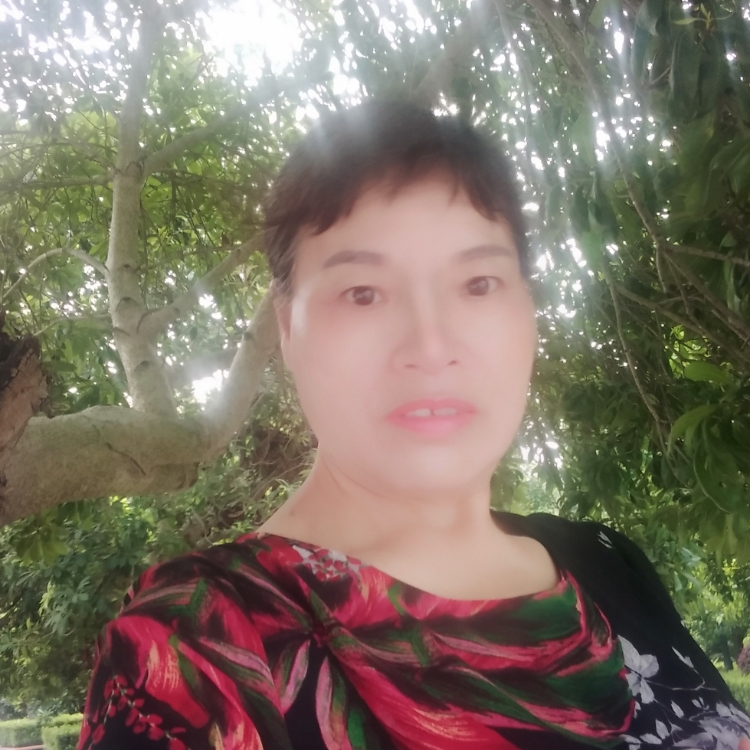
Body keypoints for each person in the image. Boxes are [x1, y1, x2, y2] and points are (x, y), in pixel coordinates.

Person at [76, 100, 750, 750]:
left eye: (478, 284)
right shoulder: (198, 648)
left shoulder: (608, 562)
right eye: (363, 293)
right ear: (287, 327)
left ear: (527, 310)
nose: (431, 346)